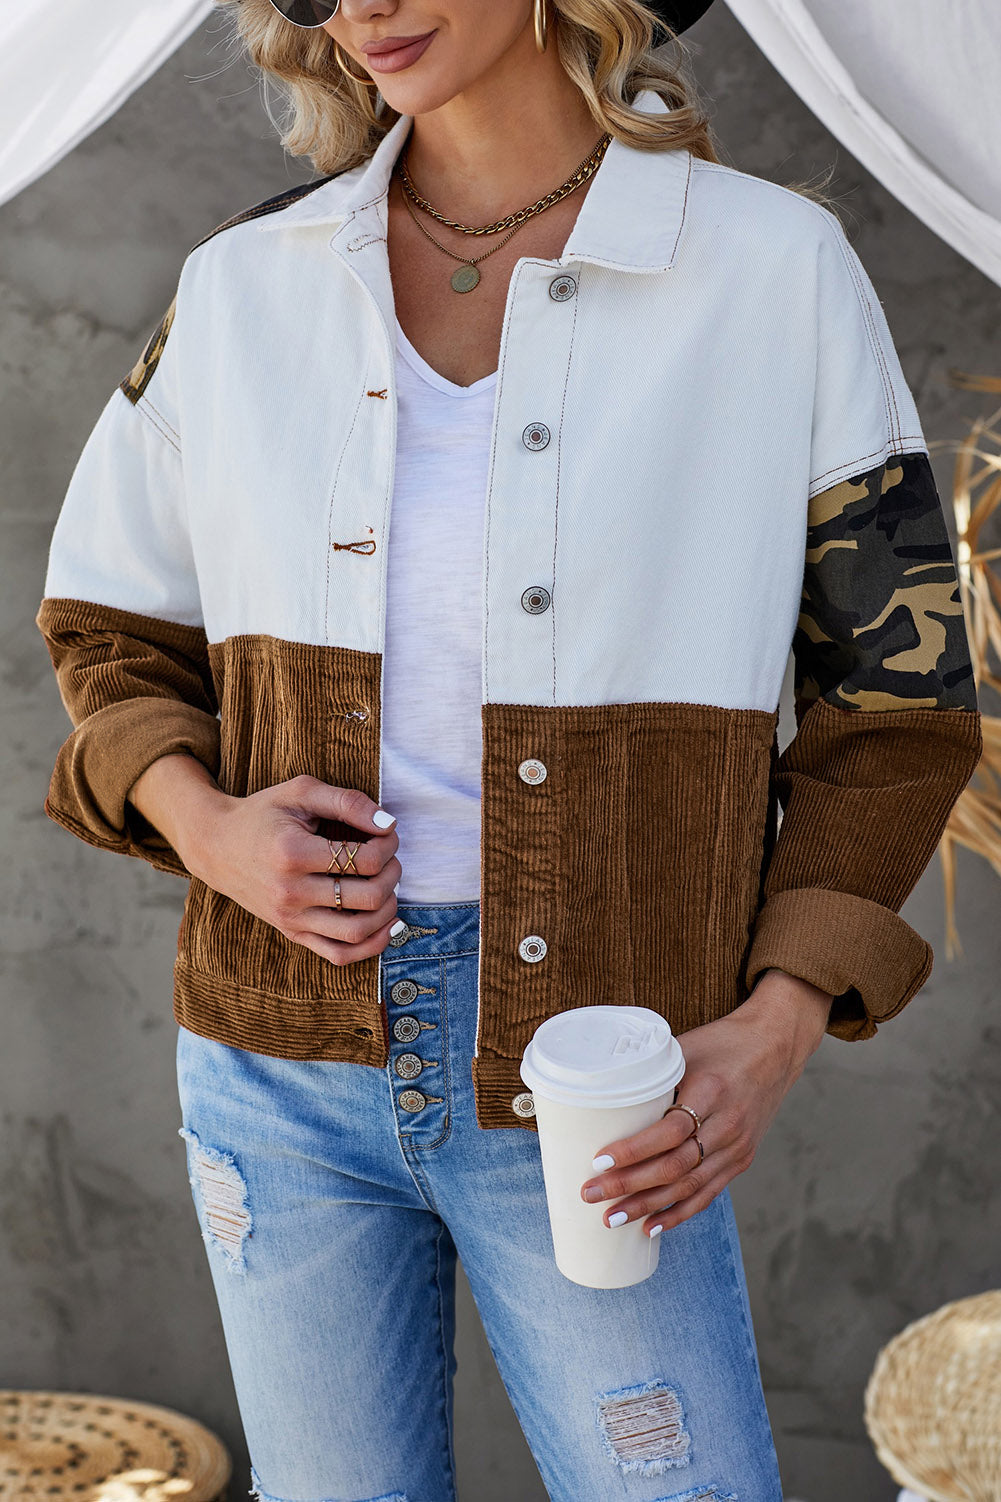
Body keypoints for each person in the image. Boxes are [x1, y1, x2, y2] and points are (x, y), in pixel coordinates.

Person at [34, 0, 982, 1497]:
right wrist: (209, 827)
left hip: (605, 1067)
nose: (362, 6)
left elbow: (897, 699)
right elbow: (105, 622)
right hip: (276, 1066)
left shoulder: (770, 271)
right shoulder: (247, 282)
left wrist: (780, 1020)